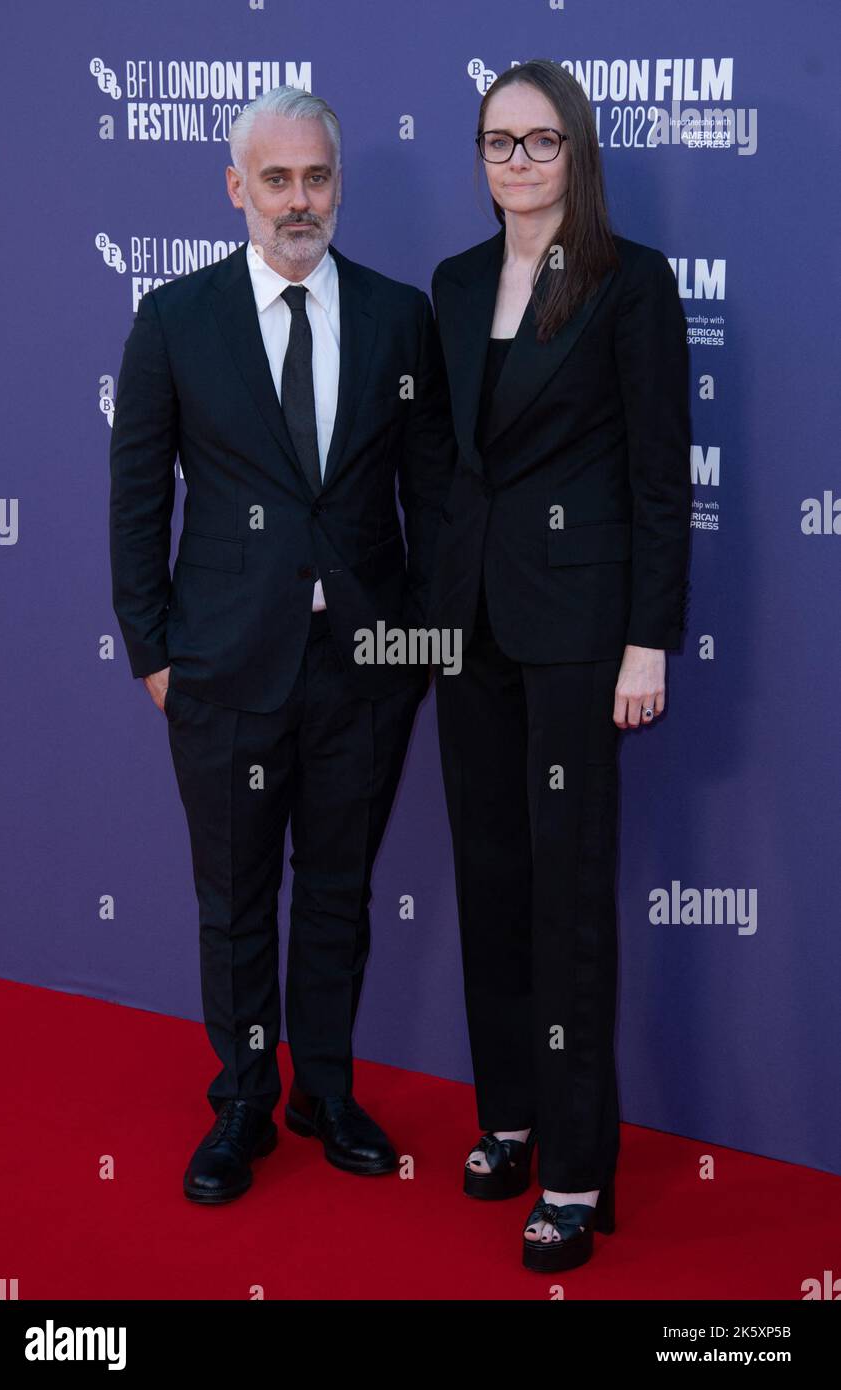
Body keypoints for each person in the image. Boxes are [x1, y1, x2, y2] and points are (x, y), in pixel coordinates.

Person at [109, 86, 453, 1204]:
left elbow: (435, 500)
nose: (296, 200)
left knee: (340, 892)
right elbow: (133, 504)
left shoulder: (400, 319)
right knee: (236, 896)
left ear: (337, 183)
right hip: (221, 668)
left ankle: (328, 1090)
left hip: (364, 671)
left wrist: (420, 649)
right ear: (235, 190)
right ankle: (244, 1100)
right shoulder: (174, 319)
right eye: (275, 179)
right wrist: (155, 655)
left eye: (314, 177)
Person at [428, 59, 692, 1271]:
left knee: (568, 895)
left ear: (575, 152)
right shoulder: (452, 282)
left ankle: (577, 1174)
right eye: (497, 141)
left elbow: (654, 477)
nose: (516, 162)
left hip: (582, 632)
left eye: (539, 142)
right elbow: (441, 465)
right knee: (487, 876)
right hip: (468, 628)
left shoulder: (628, 284)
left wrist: (647, 638)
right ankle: (510, 1117)